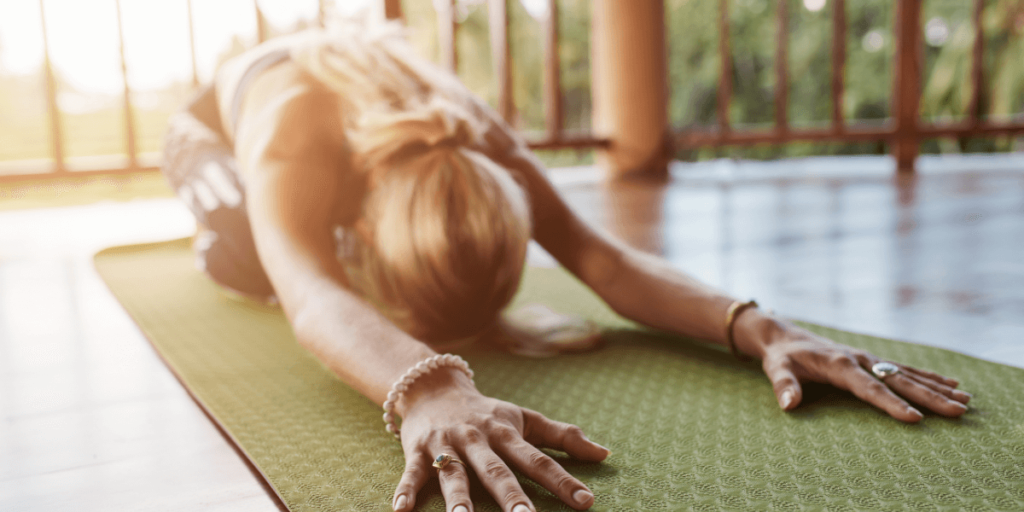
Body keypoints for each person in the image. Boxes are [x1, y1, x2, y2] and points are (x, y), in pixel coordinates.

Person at [161, 20, 971, 512]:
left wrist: (763, 328)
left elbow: (602, 260)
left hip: (370, 130)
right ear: (362, 232)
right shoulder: (294, 135)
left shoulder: (471, 136)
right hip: (214, 128)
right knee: (255, 266)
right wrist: (432, 383)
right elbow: (310, 293)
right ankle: (226, 209)